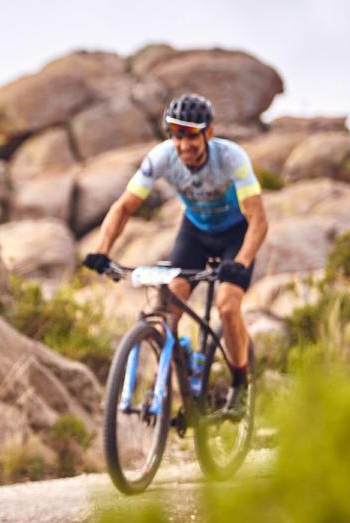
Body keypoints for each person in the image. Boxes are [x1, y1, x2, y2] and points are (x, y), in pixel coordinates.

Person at [84, 93, 269, 412]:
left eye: (192, 135)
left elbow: (258, 220)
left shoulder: (231, 158)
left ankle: (240, 384)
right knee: (169, 305)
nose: (184, 144)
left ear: (208, 133)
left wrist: (241, 262)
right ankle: (172, 376)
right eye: (176, 134)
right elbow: (124, 206)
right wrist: (102, 250)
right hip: (195, 233)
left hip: (234, 235)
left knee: (227, 307)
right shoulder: (161, 157)